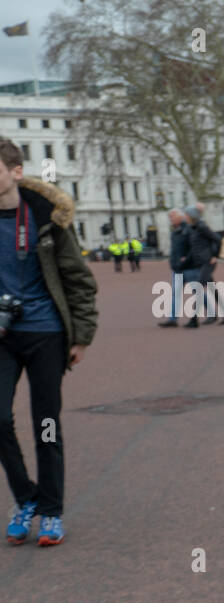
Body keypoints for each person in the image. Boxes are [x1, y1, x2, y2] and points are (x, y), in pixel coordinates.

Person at [0, 137, 97, 548]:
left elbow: (78, 279)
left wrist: (82, 336)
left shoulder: (46, 217)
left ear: (15, 172)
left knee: (46, 424)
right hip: (2, 336)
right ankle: (27, 498)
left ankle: (52, 512)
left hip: (45, 333)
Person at [184, 205, 221, 326]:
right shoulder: (193, 228)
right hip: (200, 263)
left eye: (187, 215)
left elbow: (217, 239)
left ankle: (193, 320)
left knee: (199, 288)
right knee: (212, 289)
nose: (186, 217)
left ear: (191, 216)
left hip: (207, 262)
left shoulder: (202, 227)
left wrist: (215, 255)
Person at [159, 208, 194, 328]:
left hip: (189, 267)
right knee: (176, 293)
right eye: (170, 217)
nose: (170, 219)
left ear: (181, 217)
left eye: (172, 217)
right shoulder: (175, 231)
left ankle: (211, 312)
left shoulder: (188, 229)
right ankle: (173, 318)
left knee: (196, 291)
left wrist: (187, 258)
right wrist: (173, 262)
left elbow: (194, 247)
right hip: (178, 267)